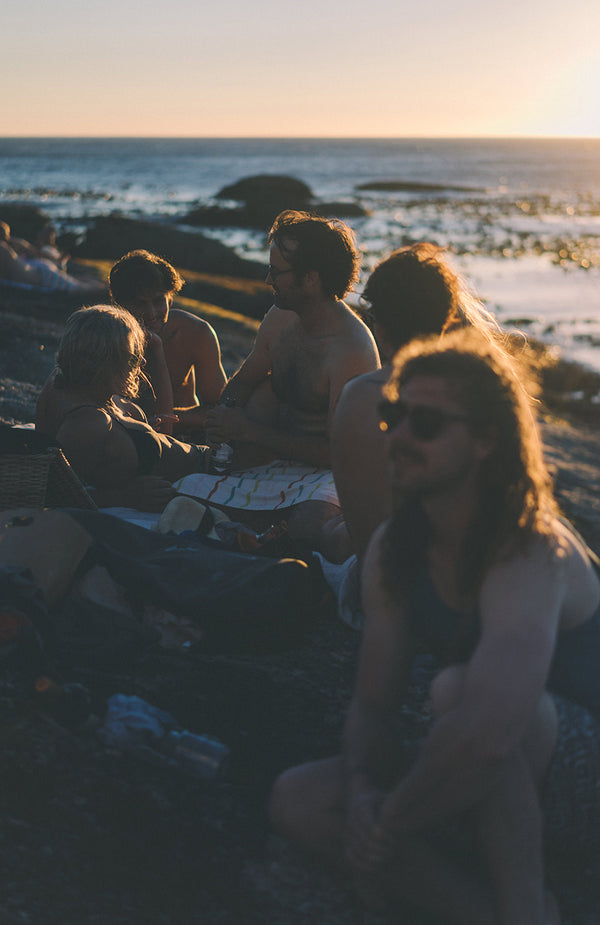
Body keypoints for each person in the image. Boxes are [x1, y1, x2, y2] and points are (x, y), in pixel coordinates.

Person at [270, 329, 600, 924]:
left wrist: (391, 819)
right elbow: (374, 705)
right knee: (300, 800)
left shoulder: (525, 547)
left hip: (581, 782)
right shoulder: (397, 547)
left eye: (426, 424)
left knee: (460, 695)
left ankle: (520, 901)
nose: (398, 437)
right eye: (393, 416)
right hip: (476, 771)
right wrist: (369, 787)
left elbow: (495, 729)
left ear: (487, 440)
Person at [205, 210, 380, 551]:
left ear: (311, 279)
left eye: (277, 271)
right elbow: (243, 382)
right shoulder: (279, 318)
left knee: (308, 527)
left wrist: (248, 431)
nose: (268, 280)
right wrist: (222, 423)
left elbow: (339, 453)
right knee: (179, 489)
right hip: (266, 462)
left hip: (328, 475)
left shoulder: (350, 350)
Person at [330, 243, 500, 562]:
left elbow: (363, 524)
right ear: (448, 318)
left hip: (381, 573)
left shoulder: (357, 396)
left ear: (376, 321)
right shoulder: (479, 393)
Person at [35, 305, 211, 512]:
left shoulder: (96, 393)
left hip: (208, 462)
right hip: (205, 478)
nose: (143, 361)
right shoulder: (87, 423)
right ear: (105, 363)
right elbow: (51, 493)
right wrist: (122, 498)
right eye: (134, 357)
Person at [109, 250, 226, 436]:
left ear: (170, 300)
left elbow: (221, 410)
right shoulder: (105, 338)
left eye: (158, 301)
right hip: (125, 431)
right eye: (140, 304)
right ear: (119, 305)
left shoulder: (195, 333)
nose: (151, 313)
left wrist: (161, 418)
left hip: (183, 432)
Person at [0, 223, 100, 294]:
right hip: (40, 270)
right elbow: (36, 253)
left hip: (43, 276)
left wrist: (57, 260)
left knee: (82, 289)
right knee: (78, 282)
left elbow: (36, 252)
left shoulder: (4, 248)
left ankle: (109, 290)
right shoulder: (11, 245)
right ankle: (108, 286)